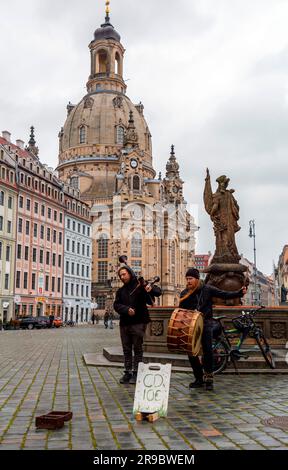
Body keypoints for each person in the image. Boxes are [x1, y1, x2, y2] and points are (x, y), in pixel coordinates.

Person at [179, 268, 247, 391]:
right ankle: (198, 378)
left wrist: (239, 293)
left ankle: (209, 379)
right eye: (187, 279)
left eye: (191, 279)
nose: (188, 281)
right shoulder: (184, 293)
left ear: (197, 279)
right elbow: (181, 312)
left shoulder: (207, 289)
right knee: (191, 353)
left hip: (206, 324)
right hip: (191, 326)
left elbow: (224, 294)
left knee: (208, 351)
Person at [114, 265, 162, 384]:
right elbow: (116, 305)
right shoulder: (120, 291)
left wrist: (149, 288)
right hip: (124, 323)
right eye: (120, 275)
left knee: (137, 348)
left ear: (130, 274)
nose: (122, 277)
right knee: (126, 349)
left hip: (138, 322)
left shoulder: (140, 286)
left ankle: (137, 372)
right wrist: (126, 310)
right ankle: (127, 372)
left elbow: (158, 293)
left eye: (124, 274)